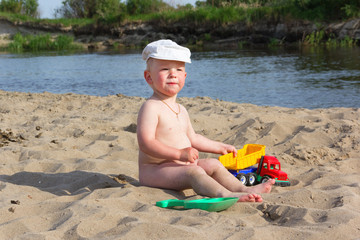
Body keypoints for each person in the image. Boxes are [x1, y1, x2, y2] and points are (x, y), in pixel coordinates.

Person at [137, 40, 274, 202]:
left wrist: (220, 147)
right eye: (165, 69)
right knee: (194, 173)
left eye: (179, 69)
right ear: (149, 77)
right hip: (155, 171)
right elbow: (146, 142)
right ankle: (225, 195)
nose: (173, 74)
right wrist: (179, 154)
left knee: (213, 164)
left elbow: (193, 138)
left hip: (179, 166)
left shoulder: (181, 109)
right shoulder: (151, 107)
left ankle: (242, 188)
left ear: (185, 76)